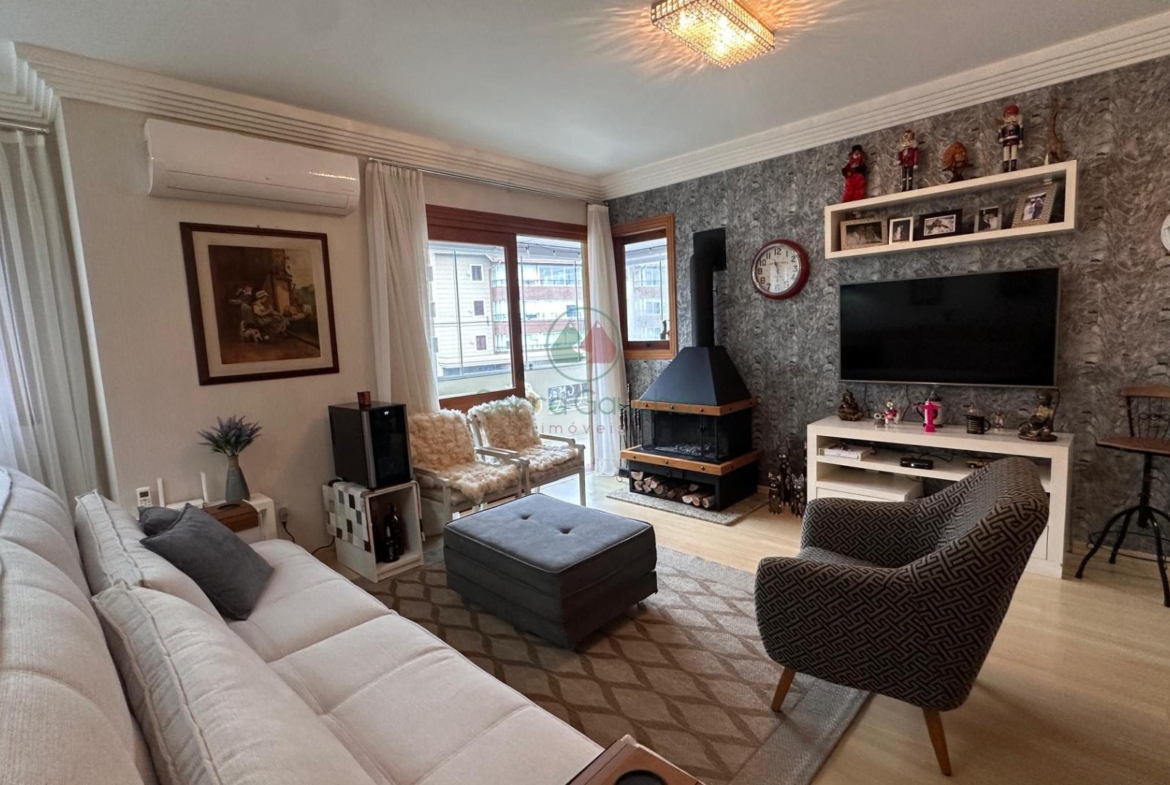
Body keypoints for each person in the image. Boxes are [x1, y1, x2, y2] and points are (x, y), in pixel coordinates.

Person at [999, 104, 1024, 173]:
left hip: (1014, 140)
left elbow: (1020, 133)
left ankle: (1013, 167)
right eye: (1007, 116)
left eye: (1011, 116)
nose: (1009, 118)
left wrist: (1020, 142)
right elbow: (1001, 134)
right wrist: (1000, 137)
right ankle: (1005, 168)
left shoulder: (1017, 126)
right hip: (1006, 141)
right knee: (1006, 154)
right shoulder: (1004, 127)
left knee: (1014, 153)